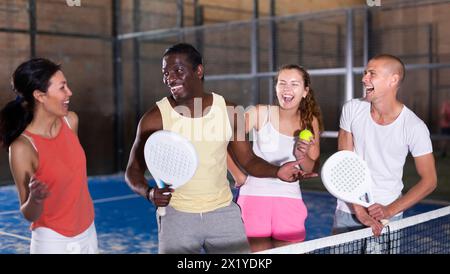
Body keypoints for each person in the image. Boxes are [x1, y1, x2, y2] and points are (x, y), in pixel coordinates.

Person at [125, 43, 308, 254]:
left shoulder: (230, 111)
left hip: (222, 213)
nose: (170, 78)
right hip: (177, 216)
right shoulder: (154, 118)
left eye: (178, 70)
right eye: (166, 73)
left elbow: (248, 160)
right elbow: (133, 170)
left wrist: (277, 171)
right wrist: (148, 193)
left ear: (199, 71)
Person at [0, 58, 97, 254]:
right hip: (53, 243)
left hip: (88, 233)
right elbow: (28, 213)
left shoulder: (71, 121)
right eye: (62, 87)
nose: (69, 92)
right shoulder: (22, 147)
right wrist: (35, 199)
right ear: (40, 96)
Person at [334, 54, 437, 237]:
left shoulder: (415, 127)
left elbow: (429, 181)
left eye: (371, 74)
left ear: (393, 80)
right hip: (347, 211)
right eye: (365, 73)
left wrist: (388, 211)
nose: (364, 78)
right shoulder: (351, 109)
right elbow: (344, 163)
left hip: (387, 218)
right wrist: (359, 210)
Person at [226, 64, 323, 252]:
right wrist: (237, 174)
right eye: (282, 83)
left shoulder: (310, 121)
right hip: (254, 197)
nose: (287, 89)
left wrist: (301, 156)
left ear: (305, 91)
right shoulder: (260, 113)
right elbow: (223, 138)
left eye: (294, 84)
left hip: (289, 200)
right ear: (276, 88)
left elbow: (310, 169)